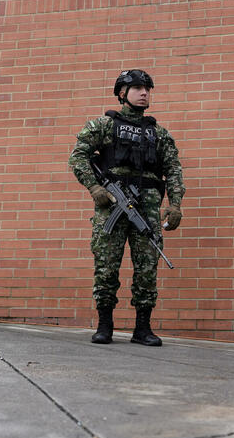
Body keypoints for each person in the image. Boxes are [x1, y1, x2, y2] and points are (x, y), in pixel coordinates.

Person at [68, 69, 185, 346]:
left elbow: (173, 170)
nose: (144, 93)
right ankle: (104, 325)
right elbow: (78, 157)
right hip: (111, 206)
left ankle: (142, 328)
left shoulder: (159, 134)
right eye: (138, 88)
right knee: (106, 265)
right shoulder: (103, 126)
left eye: (147, 89)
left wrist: (175, 204)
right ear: (122, 93)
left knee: (147, 267)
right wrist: (94, 187)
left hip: (148, 209)